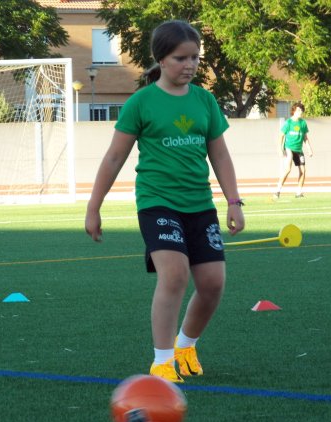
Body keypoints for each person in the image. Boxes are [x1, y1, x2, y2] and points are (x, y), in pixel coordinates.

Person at [84, 20, 245, 383]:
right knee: (173, 275)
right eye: (180, 58)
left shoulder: (205, 100)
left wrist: (233, 201)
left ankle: (186, 344)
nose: (189, 65)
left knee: (213, 283)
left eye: (195, 58)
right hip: (158, 203)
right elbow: (113, 158)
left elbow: (220, 156)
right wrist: (94, 207)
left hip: (200, 205)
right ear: (161, 58)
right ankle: (162, 361)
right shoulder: (141, 102)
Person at [273, 103, 314, 199]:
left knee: (303, 171)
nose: (301, 112)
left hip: (299, 150)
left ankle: (298, 193)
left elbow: (305, 138)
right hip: (289, 148)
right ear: (294, 111)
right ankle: (277, 191)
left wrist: (309, 149)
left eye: (302, 110)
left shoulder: (303, 123)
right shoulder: (288, 123)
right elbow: (281, 136)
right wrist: (279, 149)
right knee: (288, 169)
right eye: (299, 110)